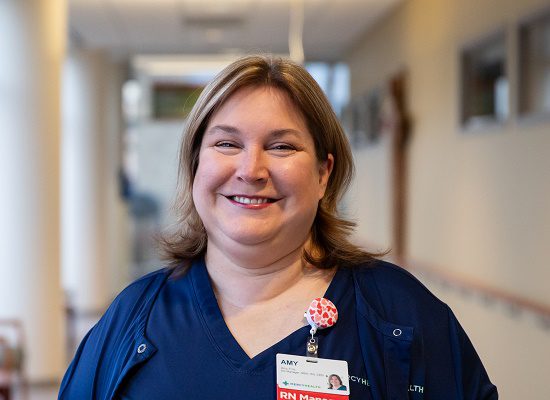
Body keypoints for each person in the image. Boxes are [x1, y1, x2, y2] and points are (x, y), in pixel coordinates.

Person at [58, 55, 498, 400]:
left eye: (282, 146)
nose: (251, 169)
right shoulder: (133, 319)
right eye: (227, 143)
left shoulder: (402, 319)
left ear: (324, 174)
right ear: (196, 166)